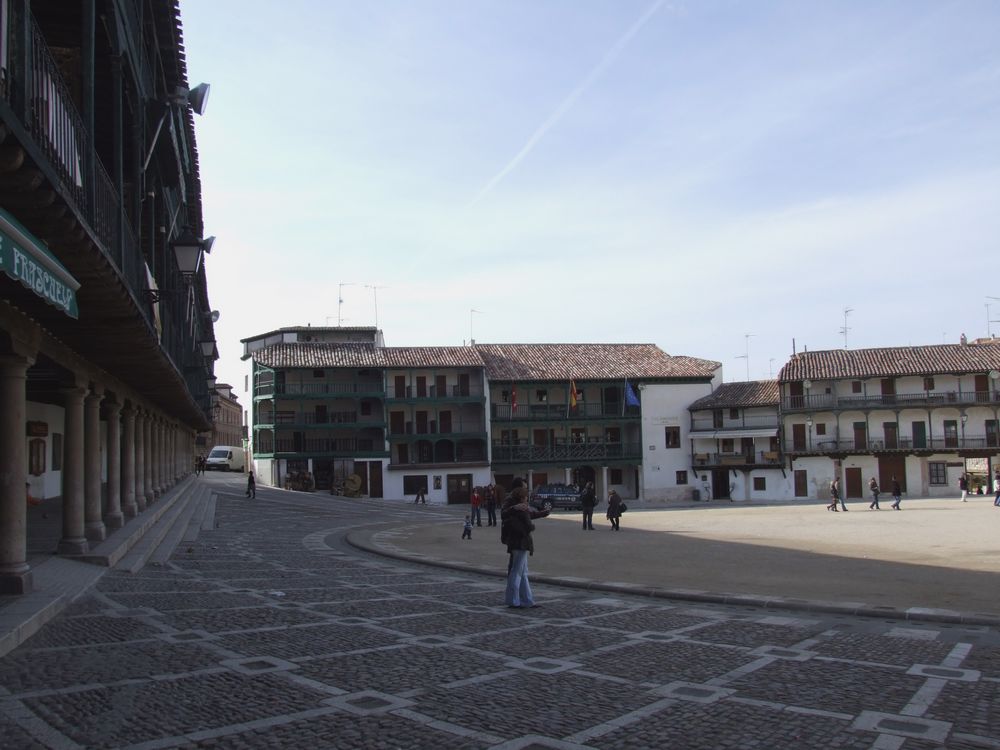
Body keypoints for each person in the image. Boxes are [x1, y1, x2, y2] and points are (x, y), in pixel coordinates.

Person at [501, 478, 549, 608]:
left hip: (520, 540)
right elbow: (504, 514)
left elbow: (528, 515)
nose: (527, 490)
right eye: (525, 488)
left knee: (522, 571)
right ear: (519, 490)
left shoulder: (519, 503)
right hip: (518, 540)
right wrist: (515, 508)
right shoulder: (512, 501)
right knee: (517, 571)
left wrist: (542, 514)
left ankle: (526, 599)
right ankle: (514, 600)